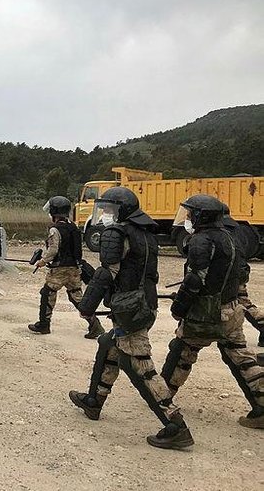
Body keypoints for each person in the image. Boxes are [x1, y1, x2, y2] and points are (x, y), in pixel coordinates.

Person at [69, 187, 192, 450]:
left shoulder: (117, 233)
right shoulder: (146, 234)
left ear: (121, 210)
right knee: (108, 345)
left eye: (109, 209)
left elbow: (107, 273)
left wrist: (87, 306)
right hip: (144, 305)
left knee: (141, 367)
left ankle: (175, 425)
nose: (105, 214)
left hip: (129, 310)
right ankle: (94, 401)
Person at [160, 195, 263, 430]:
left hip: (206, 314)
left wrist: (179, 308)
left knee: (182, 351)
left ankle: (161, 398)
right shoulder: (231, 238)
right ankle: (261, 405)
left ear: (201, 216)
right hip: (231, 309)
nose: (187, 217)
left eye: (190, 213)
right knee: (242, 359)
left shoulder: (201, 240)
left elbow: (195, 280)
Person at [28, 196, 104, 339]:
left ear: (54, 212)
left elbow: (53, 250)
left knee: (47, 293)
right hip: (75, 268)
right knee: (77, 297)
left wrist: (42, 261)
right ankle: (95, 325)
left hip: (59, 269)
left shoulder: (55, 230)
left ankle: (44, 324)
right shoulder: (73, 227)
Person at [220, 204, 264, 364]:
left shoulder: (224, 231)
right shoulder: (237, 227)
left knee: (243, 304)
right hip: (240, 272)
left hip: (233, 275)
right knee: (244, 303)